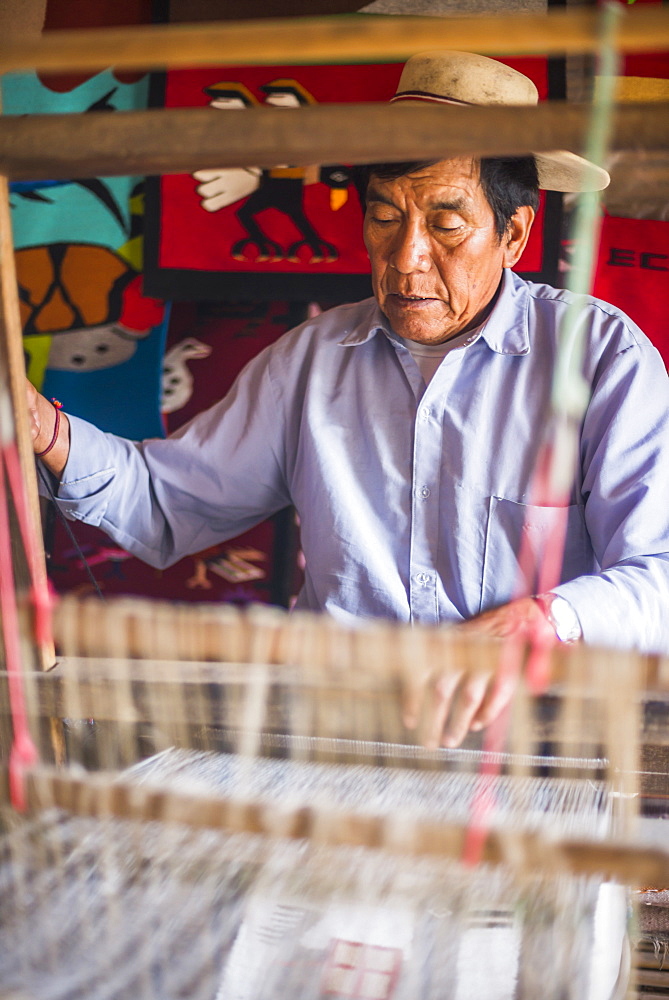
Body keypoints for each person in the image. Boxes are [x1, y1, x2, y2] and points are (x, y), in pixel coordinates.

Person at [27, 51, 669, 751]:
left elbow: (657, 577)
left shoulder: (600, 357)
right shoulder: (310, 361)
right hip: (336, 746)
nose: (405, 257)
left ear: (512, 233)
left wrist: (542, 619)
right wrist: (43, 430)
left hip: (528, 758)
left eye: (445, 224)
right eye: (385, 218)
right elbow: (164, 500)